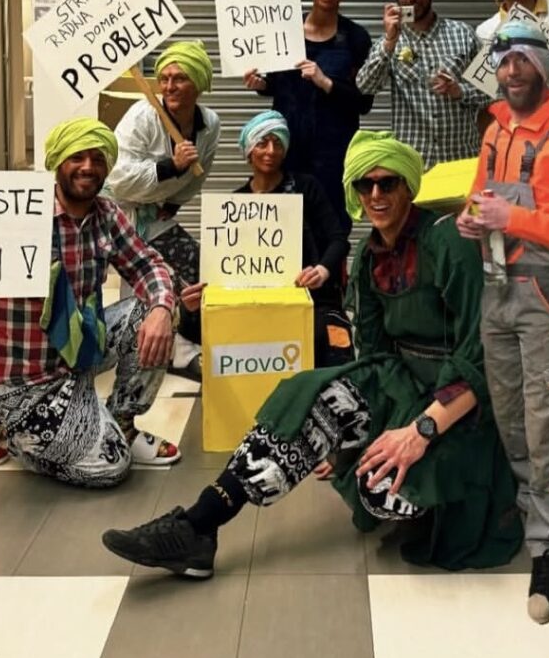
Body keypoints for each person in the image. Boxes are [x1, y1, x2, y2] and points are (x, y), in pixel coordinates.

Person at [102, 131, 521, 576]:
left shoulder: (450, 241)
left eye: (388, 183)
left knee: (381, 494)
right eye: (365, 185)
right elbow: (375, 360)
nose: (375, 195)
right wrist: (336, 428)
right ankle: (199, 525)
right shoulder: (371, 256)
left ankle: (446, 487)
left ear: (408, 187)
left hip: (467, 403)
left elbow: (485, 357)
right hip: (408, 384)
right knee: (307, 394)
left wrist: (419, 432)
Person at [456, 20, 549, 624]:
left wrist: (512, 220)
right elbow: (478, 195)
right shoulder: (495, 129)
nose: (511, 70)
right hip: (495, 289)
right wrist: (471, 219)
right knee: (509, 411)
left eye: (522, 59)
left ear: (544, 67)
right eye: (503, 60)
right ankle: (527, 504)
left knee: (545, 423)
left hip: (543, 295)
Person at [0, 118, 180, 487]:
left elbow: (148, 265)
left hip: (78, 355)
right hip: (19, 381)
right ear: (57, 162)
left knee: (155, 309)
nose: (88, 167)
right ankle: (2, 429)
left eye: (97, 159)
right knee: (111, 467)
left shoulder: (107, 215)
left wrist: (162, 308)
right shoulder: (17, 212)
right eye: (76, 158)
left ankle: (121, 422)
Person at [178, 110, 352, 367]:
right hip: (251, 304)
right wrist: (198, 298)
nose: (271, 151)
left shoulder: (306, 187)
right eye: (262, 143)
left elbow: (339, 239)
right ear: (249, 151)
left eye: (278, 143)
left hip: (310, 299)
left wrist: (322, 270)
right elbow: (221, 267)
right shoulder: (233, 205)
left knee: (334, 350)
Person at [244, 0, 373, 232]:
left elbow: (364, 102)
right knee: (285, 226)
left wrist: (326, 82)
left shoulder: (356, 38)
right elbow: (277, 83)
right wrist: (261, 84)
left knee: (332, 225)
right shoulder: (284, 28)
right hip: (287, 149)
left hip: (334, 153)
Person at [104, 40, 220, 295]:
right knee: (138, 279)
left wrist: (174, 203)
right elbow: (118, 178)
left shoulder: (209, 123)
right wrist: (170, 167)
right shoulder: (142, 117)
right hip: (115, 210)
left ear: (198, 83)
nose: (169, 87)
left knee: (196, 268)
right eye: (164, 79)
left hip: (151, 211)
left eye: (179, 79)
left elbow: (200, 173)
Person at [356, 0, 490, 169]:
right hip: (413, 163)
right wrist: (389, 41)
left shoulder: (463, 34)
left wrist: (459, 91)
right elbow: (364, 86)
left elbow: (491, 90)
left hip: (461, 158)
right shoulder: (390, 42)